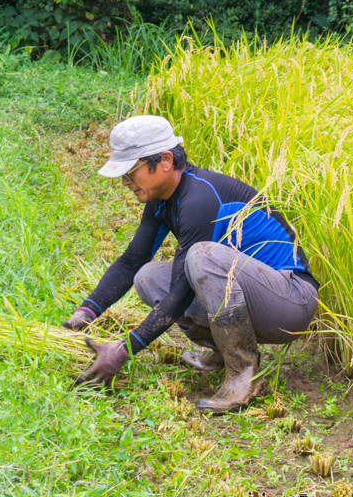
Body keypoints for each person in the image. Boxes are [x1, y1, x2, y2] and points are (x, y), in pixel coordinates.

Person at [62, 115, 319, 413]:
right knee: (147, 276)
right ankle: (224, 352)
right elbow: (133, 259)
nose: (125, 181)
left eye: (131, 171)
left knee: (201, 258)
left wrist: (124, 349)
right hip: (258, 295)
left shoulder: (199, 200)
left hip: (290, 300)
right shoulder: (160, 199)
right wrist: (88, 310)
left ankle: (242, 374)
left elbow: (181, 293)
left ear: (166, 160)